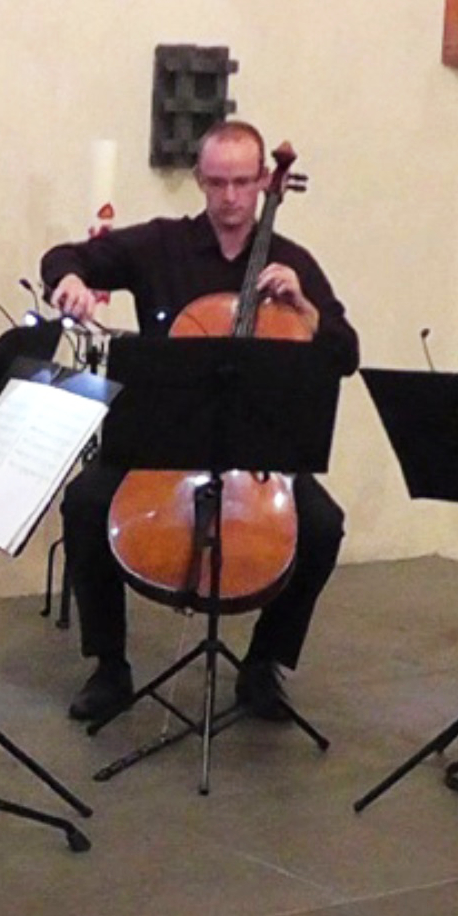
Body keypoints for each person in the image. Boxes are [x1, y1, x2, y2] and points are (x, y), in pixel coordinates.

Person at [40, 120, 360, 723]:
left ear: (264, 181)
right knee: (85, 503)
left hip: (259, 450)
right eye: (217, 182)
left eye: (242, 182)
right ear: (199, 180)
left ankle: (263, 664)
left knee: (322, 527)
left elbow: (345, 354)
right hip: (165, 439)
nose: (230, 197)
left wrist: (305, 309)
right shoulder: (161, 245)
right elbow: (64, 257)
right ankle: (109, 664)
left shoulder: (292, 264)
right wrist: (72, 281)